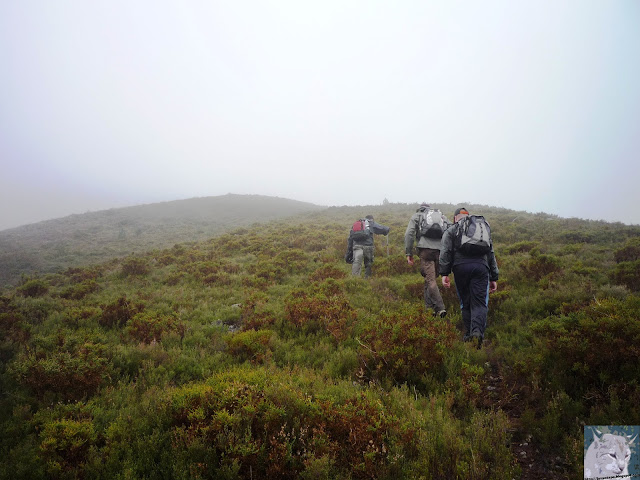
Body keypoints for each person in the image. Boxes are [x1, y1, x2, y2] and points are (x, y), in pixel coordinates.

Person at [439, 207, 498, 348]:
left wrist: (444, 273)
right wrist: (494, 276)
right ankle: (477, 333)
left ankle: (468, 335)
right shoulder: (480, 228)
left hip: (460, 268)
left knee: (465, 302)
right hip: (481, 267)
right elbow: (490, 252)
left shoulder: (452, 229)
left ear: (455, 218)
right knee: (479, 303)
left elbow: (445, 251)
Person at [404, 203, 450, 318]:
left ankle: (440, 308)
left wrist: (409, 253)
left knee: (430, 280)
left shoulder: (417, 216)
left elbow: (409, 234)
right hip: (440, 251)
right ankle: (429, 308)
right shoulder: (441, 216)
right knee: (430, 278)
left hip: (425, 250)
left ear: (420, 208)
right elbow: (451, 229)